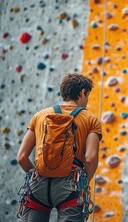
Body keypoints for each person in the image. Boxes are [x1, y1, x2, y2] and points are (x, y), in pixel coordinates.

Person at [17, 73, 102, 222]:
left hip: (39, 182)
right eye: (87, 95)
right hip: (71, 184)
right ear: (82, 92)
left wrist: (34, 174)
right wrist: (82, 182)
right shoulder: (91, 120)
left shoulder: (39, 116)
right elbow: (90, 159)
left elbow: (22, 157)